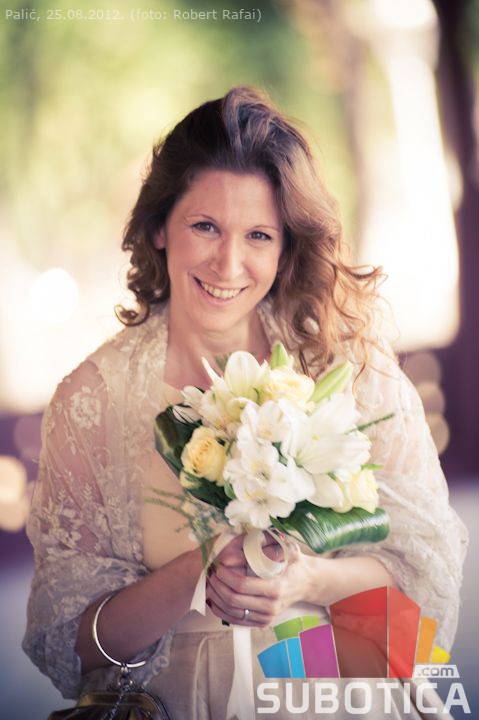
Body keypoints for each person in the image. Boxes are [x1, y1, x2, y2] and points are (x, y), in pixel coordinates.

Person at [23, 86, 467, 719]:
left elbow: (421, 575)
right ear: (159, 228)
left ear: (286, 247)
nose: (229, 263)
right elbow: (73, 644)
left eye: (259, 234)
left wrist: (309, 579)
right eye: (205, 226)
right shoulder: (91, 402)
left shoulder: (347, 367)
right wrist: (200, 571)